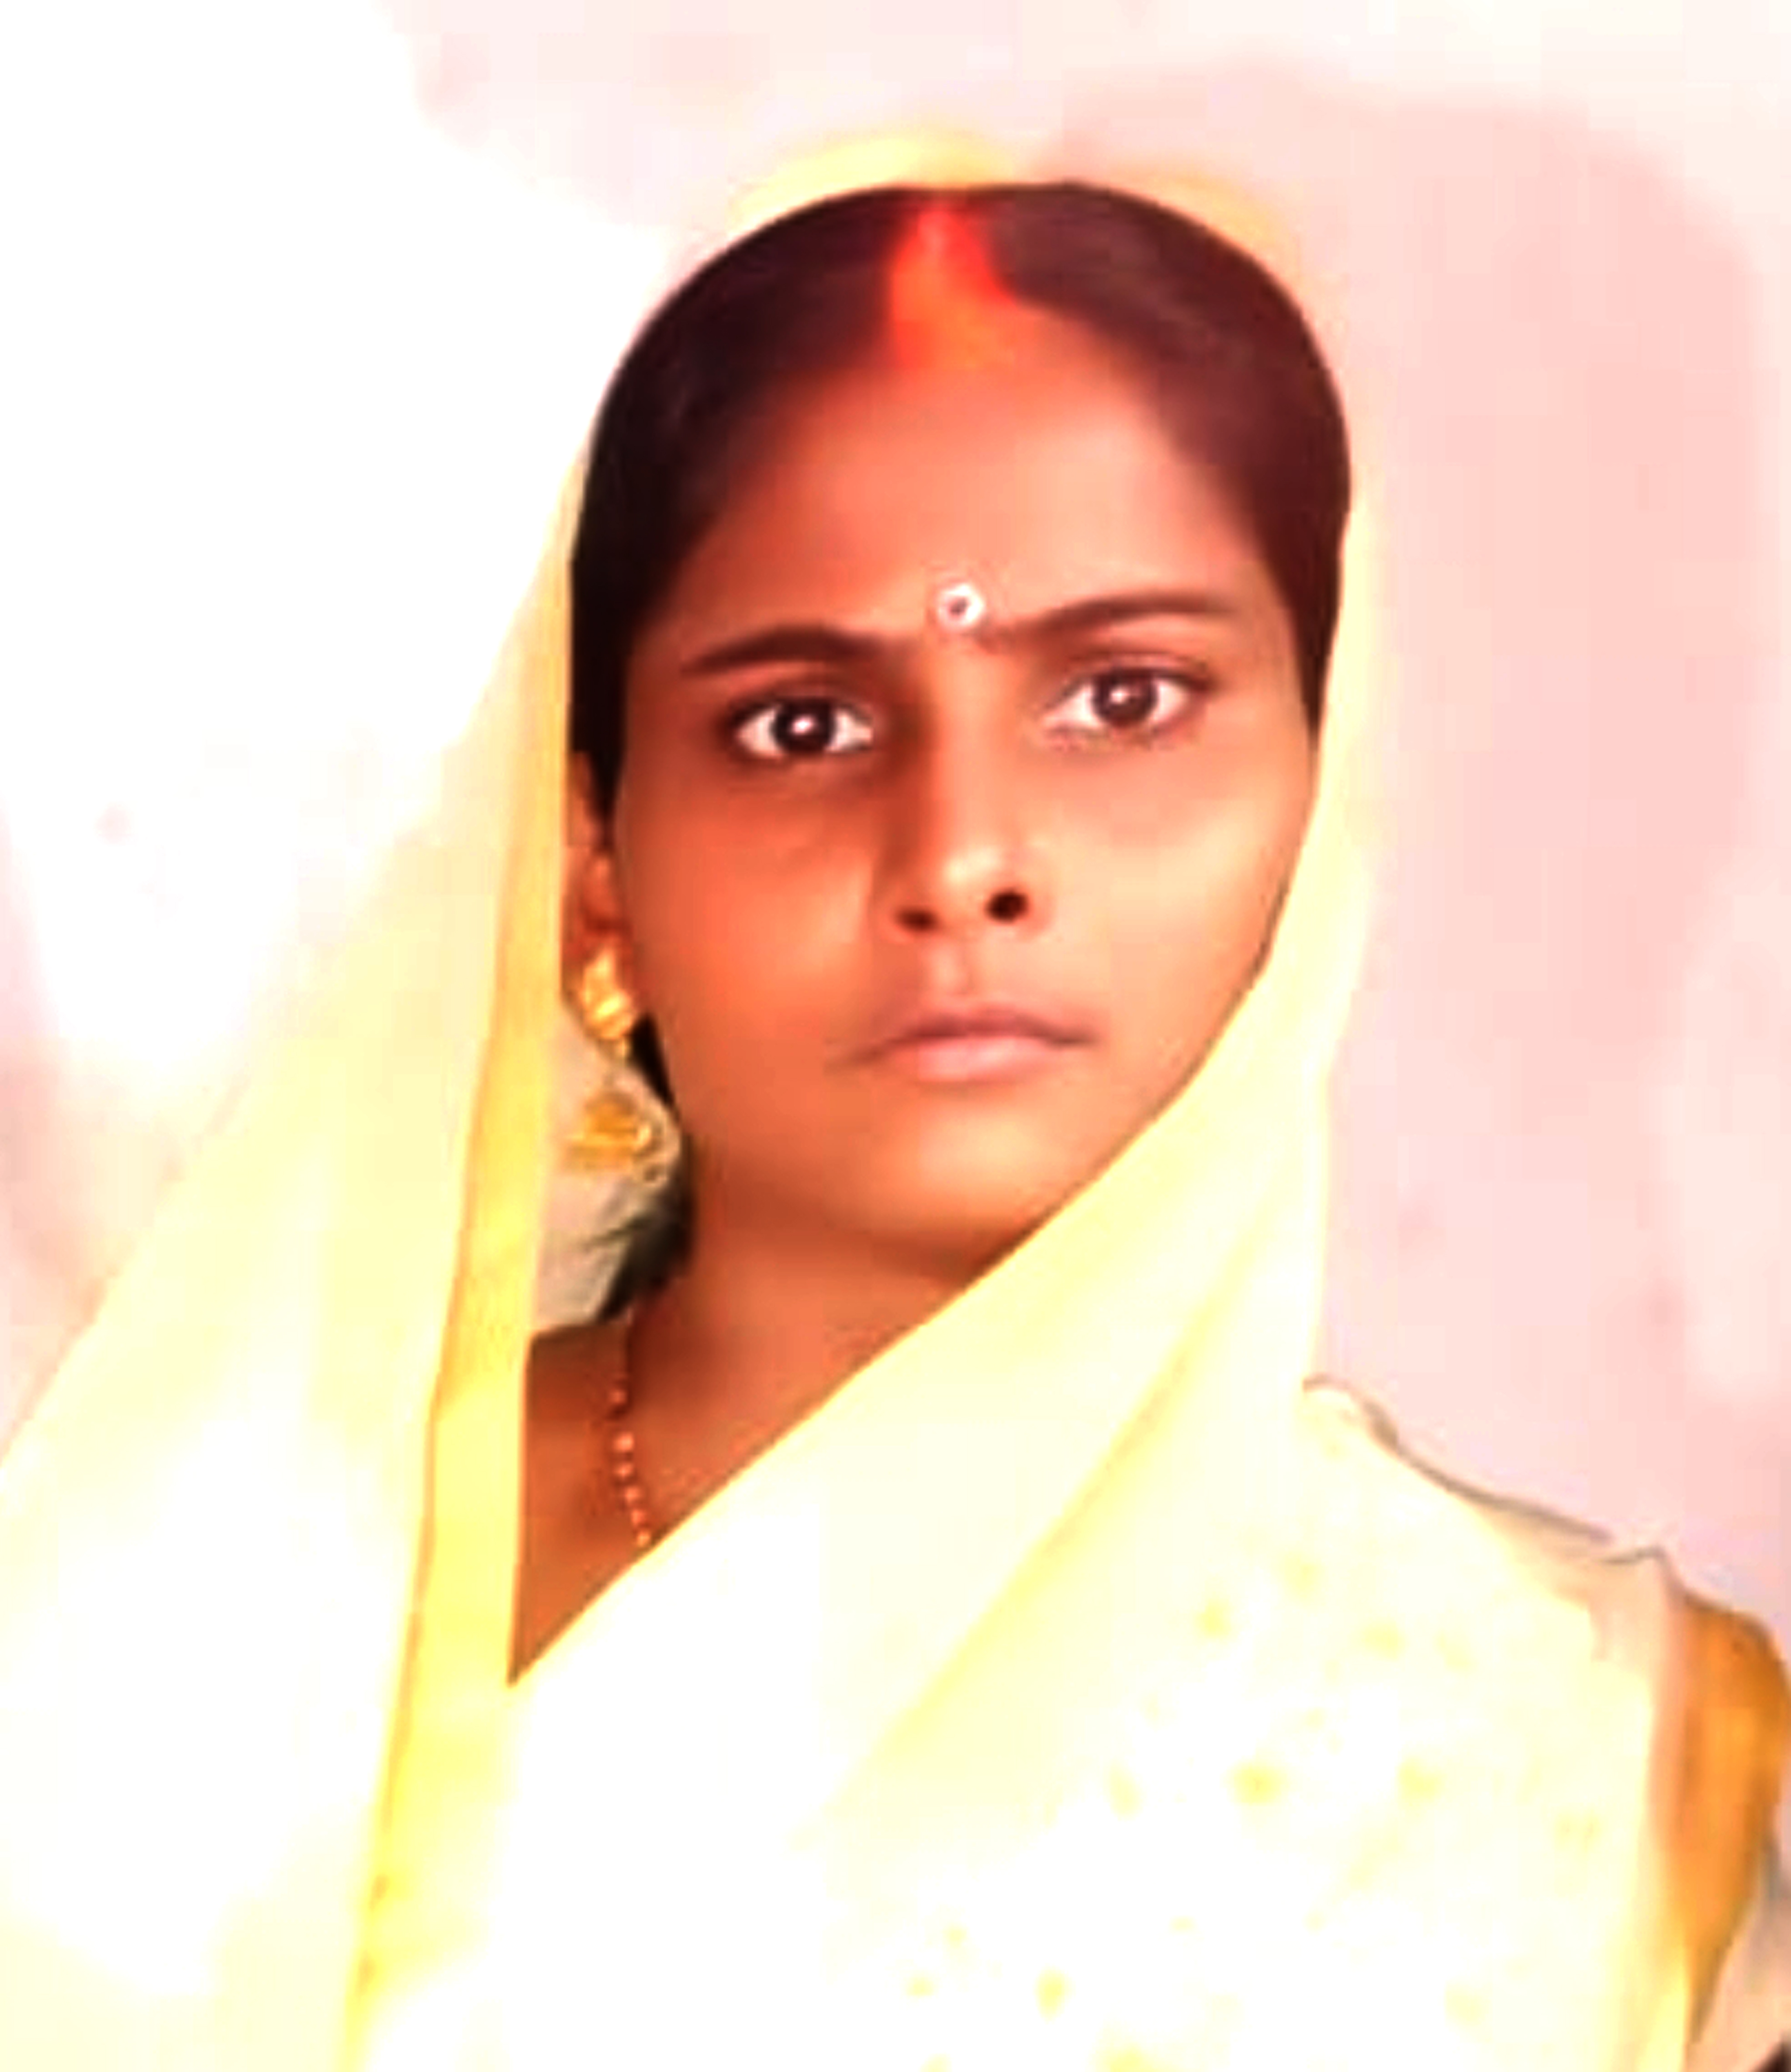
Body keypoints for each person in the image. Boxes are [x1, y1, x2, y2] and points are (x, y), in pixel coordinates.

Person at [0, 146, 1784, 2072]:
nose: (961, 856)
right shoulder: (192, 1609)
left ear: (1319, 793)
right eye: (802, 724)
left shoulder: (1574, 1766)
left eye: (1121, 699)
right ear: (598, 864)